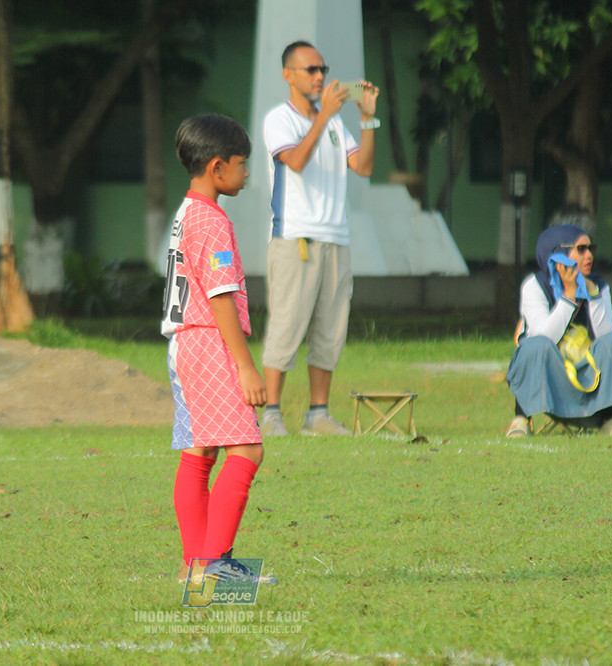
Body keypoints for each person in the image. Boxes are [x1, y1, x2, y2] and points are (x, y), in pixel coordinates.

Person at [162, 113, 269, 582]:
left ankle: (195, 566)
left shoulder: (186, 211)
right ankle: (216, 562)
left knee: (200, 453)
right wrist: (245, 368)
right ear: (217, 168)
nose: (247, 175)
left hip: (184, 344)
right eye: (243, 165)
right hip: (208, 343)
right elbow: (221, 296)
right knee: (247, 450)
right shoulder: (212, 220)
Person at [259, 40, 380, 437]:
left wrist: (367, 120)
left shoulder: (333, 123)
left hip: (335, 240)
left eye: (323, 70)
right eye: (310, 70)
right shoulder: (279, 119)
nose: (319, 77)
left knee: (331, 329)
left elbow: (361, 167)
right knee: (287, 326)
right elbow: (293, 161)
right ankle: (272, 414)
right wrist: (323, 115)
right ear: (287, 75)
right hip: (296, 238)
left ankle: (318, 415)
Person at [506, 224, 612, 437]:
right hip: (550, 374)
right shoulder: (535, 286)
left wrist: (592, 295)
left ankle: (610, 419)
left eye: (590, 249)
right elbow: (544, 337)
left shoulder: (598, 285)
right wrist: (569, 297)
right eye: (581, 249)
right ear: (559, 253)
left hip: (587, 370)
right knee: (534, 345)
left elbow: (607, 339)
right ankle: (521, 419)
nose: (589, 255)